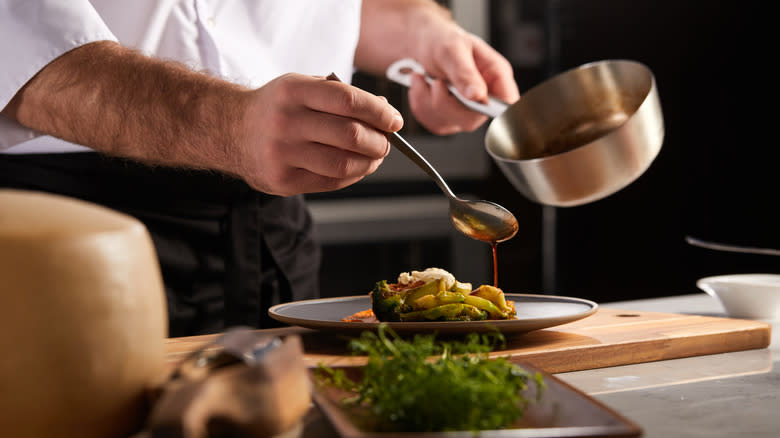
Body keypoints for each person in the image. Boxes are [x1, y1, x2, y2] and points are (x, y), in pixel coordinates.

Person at [0, 0, 519, 336]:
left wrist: (422, 34)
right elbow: (19, 47)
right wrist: (224, 124)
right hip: (65, 232)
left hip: (275, 231)